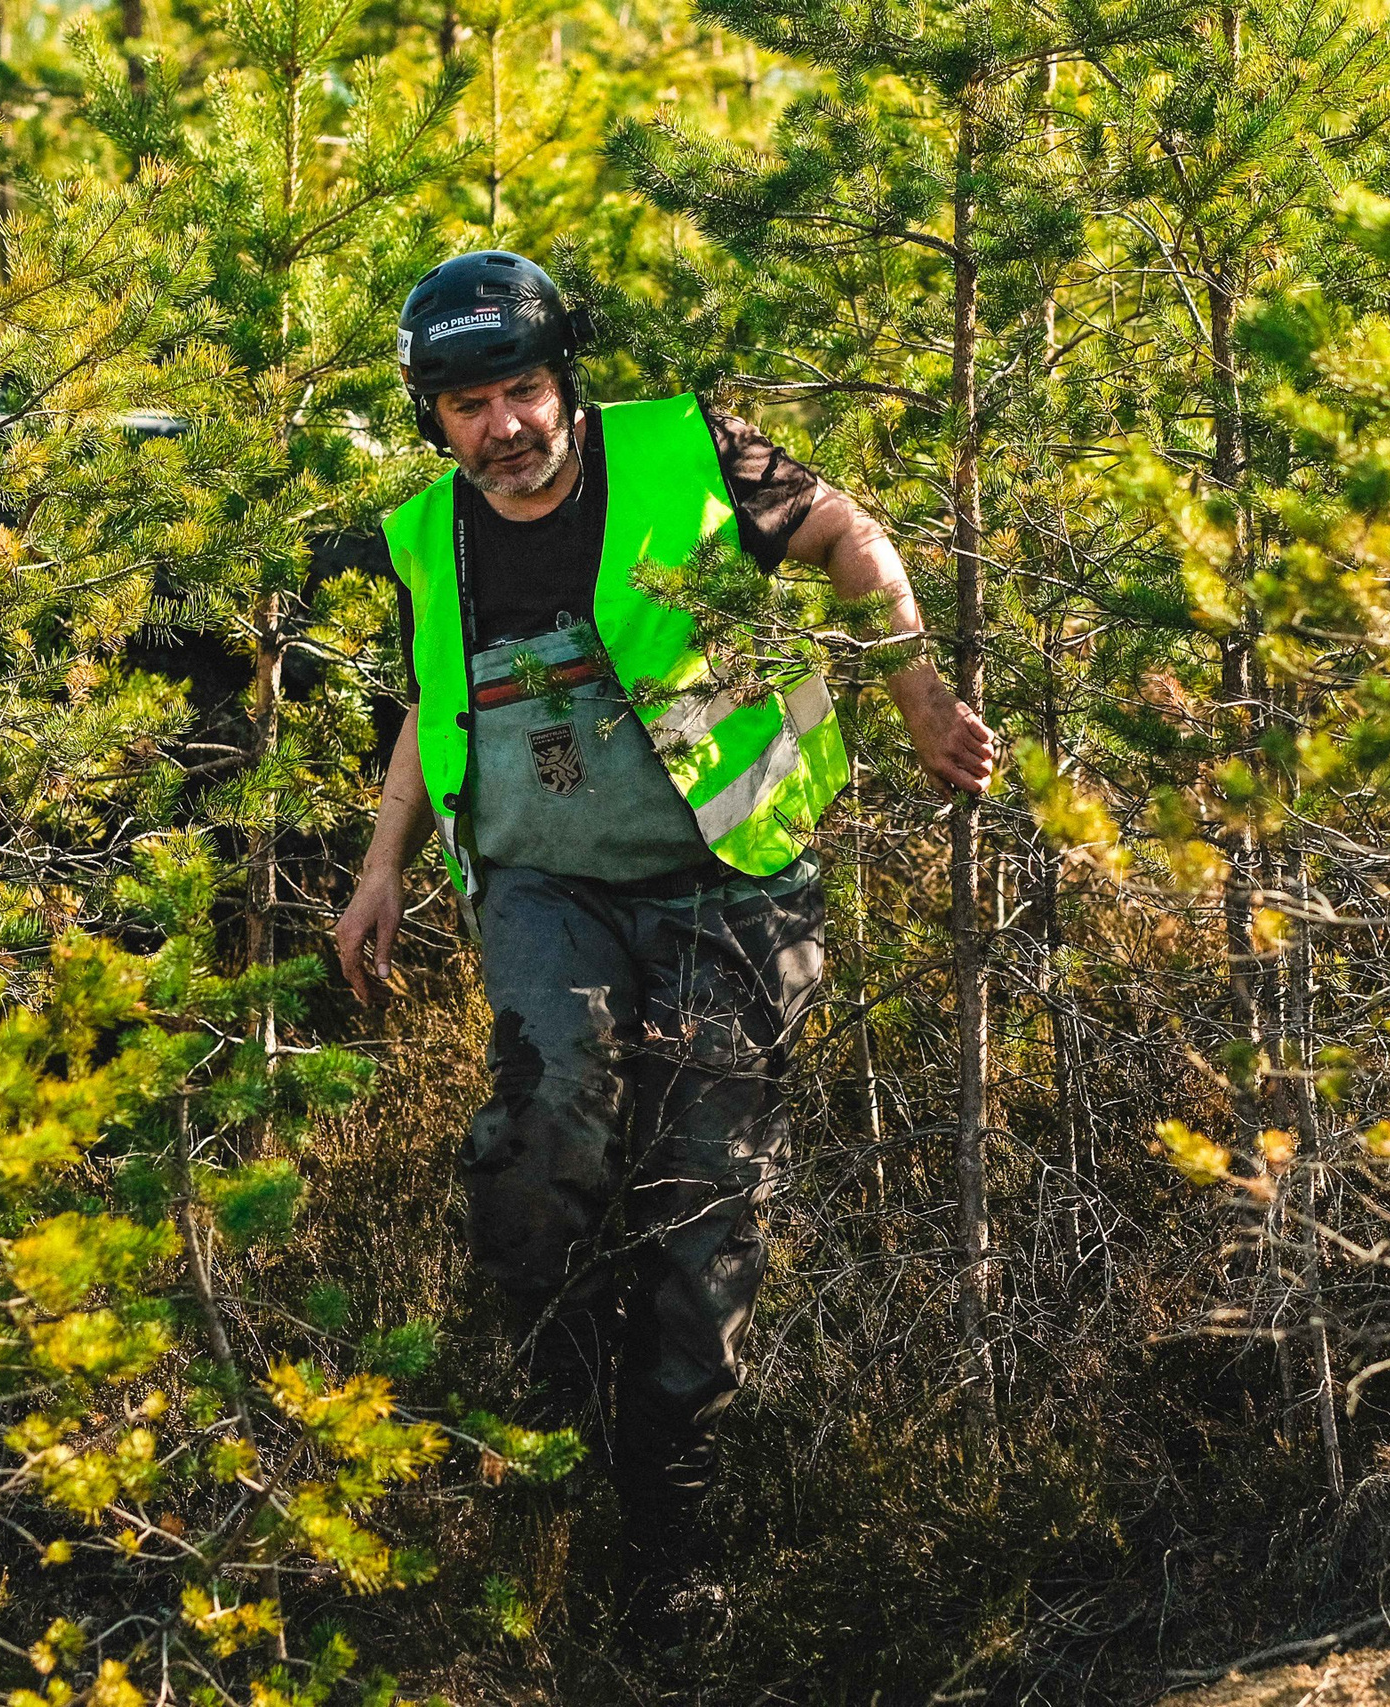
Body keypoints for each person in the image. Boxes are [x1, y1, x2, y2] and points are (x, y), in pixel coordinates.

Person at [334, 251, 995, 1656]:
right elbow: (427, 701)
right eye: (469, 404)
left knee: (706, 1207)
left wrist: (919, 688)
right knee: (551, 1106)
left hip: (727, 883)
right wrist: (381, 865)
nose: (504, 426)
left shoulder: (690, 447)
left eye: (522, 390)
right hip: (541, 887)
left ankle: (669, 1531)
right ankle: (535, 1385)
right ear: (433, 418)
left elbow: (851, 534)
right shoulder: (424, 535)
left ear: (565, 381)